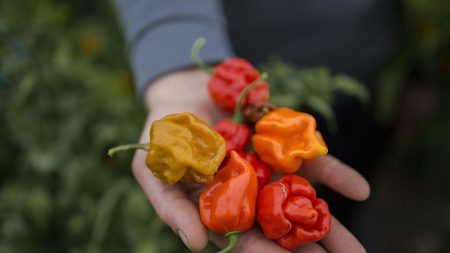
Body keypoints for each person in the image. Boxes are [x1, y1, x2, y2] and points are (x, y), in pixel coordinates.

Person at [113, 0, 401, 252]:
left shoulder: (255, 141)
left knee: (353, 170)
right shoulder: (233, 148)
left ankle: (358, 218)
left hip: (370, 47)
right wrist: (174, 54)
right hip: (231, 38)